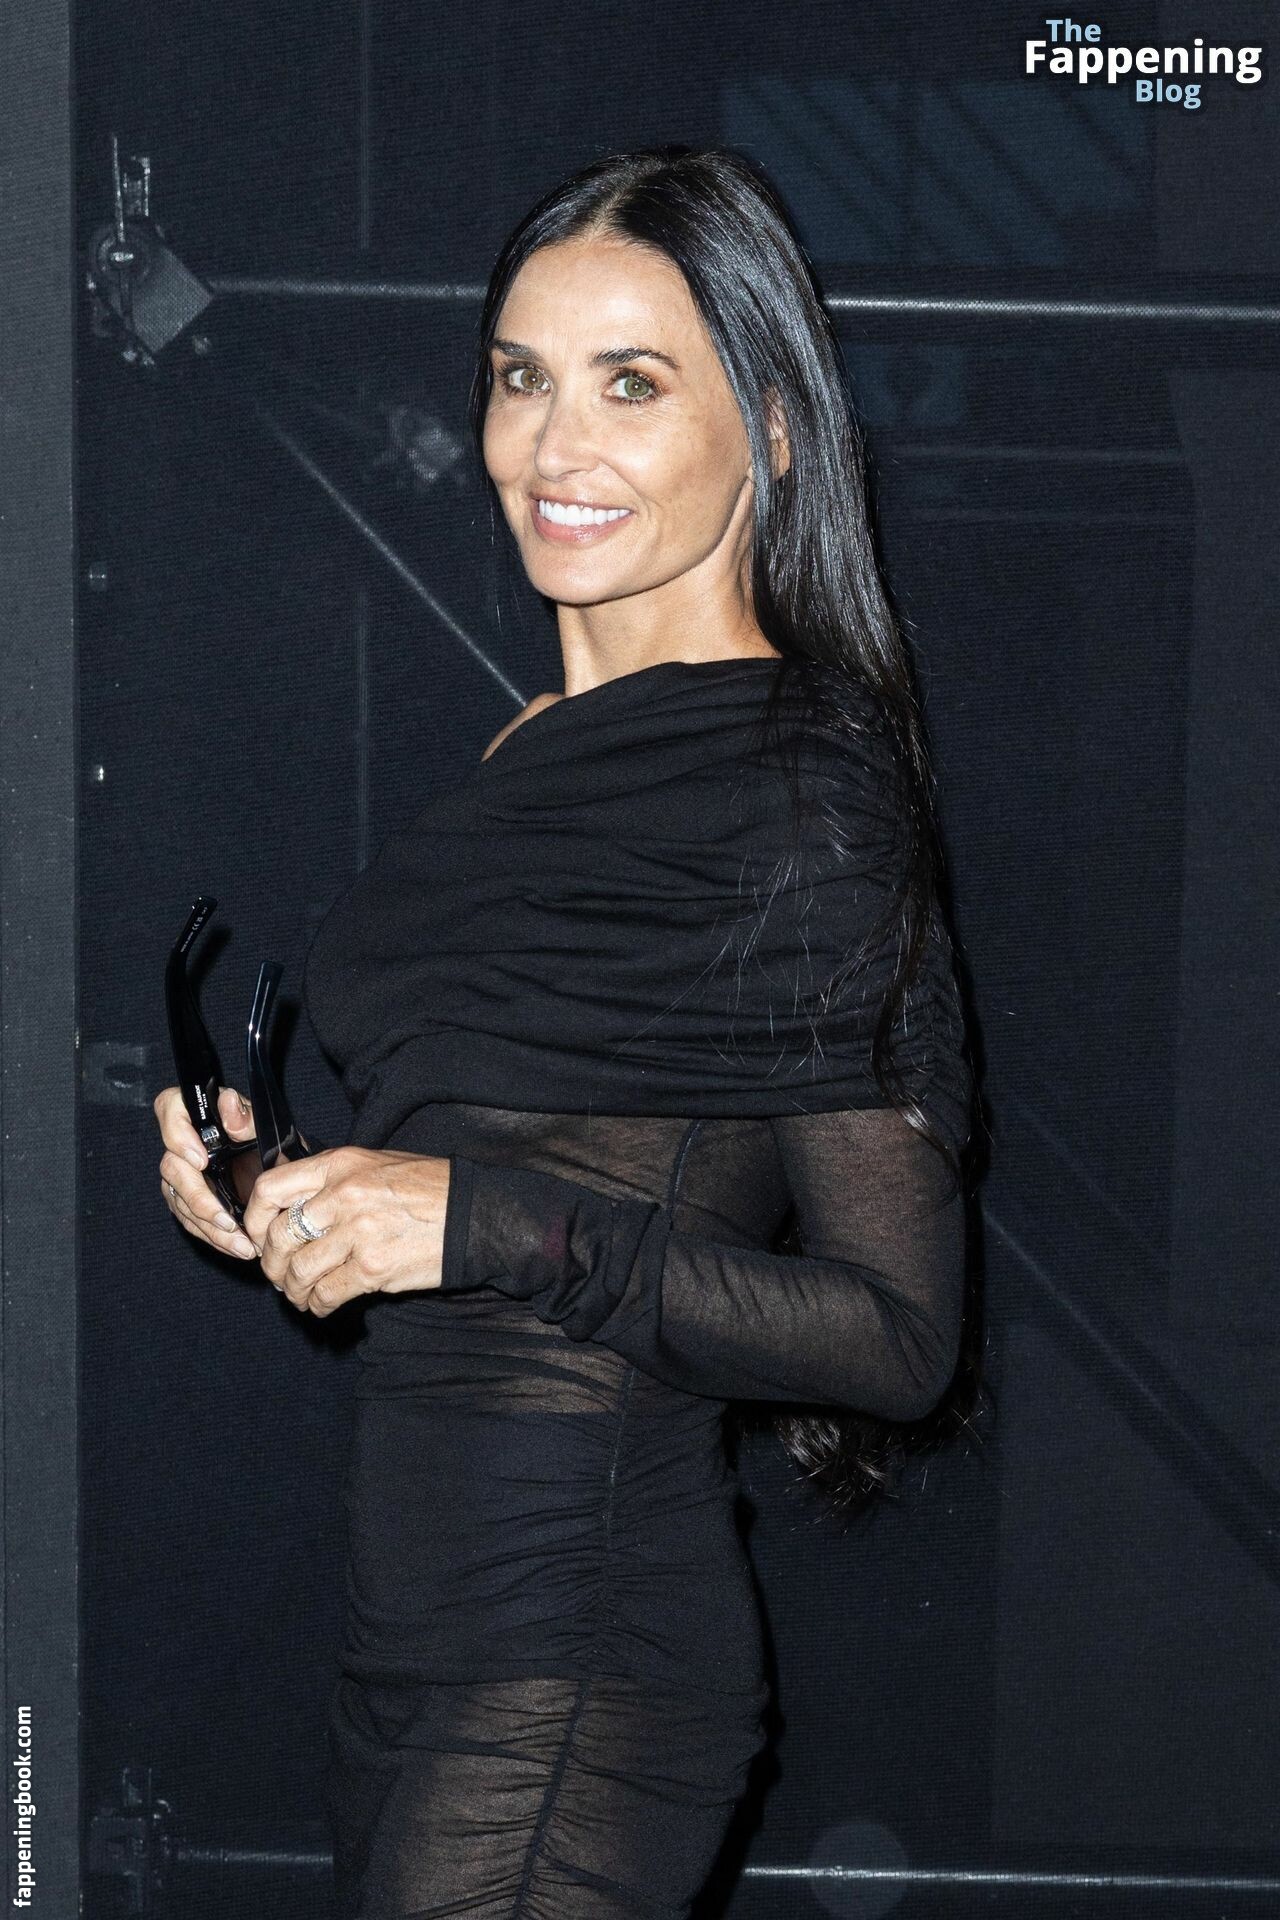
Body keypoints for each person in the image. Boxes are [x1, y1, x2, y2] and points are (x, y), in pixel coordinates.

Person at [153, 144, 976, 1920]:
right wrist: (290, 1187)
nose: (551, 444)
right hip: (409, 1644)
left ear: (771, 427)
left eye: (631, 384)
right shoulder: (524, 749)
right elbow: (508, 1154)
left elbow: (901, 1337)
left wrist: (477, 1222)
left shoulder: (806, 782)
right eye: (521, 377)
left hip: (581, 1656)